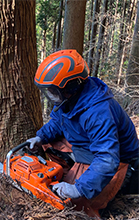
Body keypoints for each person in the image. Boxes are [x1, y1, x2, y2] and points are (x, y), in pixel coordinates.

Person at [27, 49, 139, 217]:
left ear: (70, 87)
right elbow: (59, 120)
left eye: (52, 91)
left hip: (119, 161)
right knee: (48, 142)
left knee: (74, 204)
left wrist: (78, 189)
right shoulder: (71, 99)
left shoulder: (98, 113)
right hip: (90, 149)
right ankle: (73, 174)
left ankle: (92, 186)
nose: (49, 95)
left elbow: (108, 159)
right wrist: (40, 136)